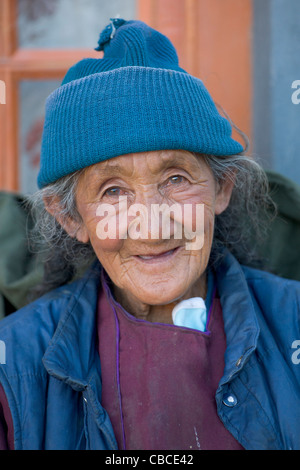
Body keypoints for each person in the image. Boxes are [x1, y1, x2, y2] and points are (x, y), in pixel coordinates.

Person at [0, 18, 299, 451]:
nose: (152, 223)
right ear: (71, 218)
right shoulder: (15, 367)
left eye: (176, 178)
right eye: (113, 190)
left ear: (222, 189)